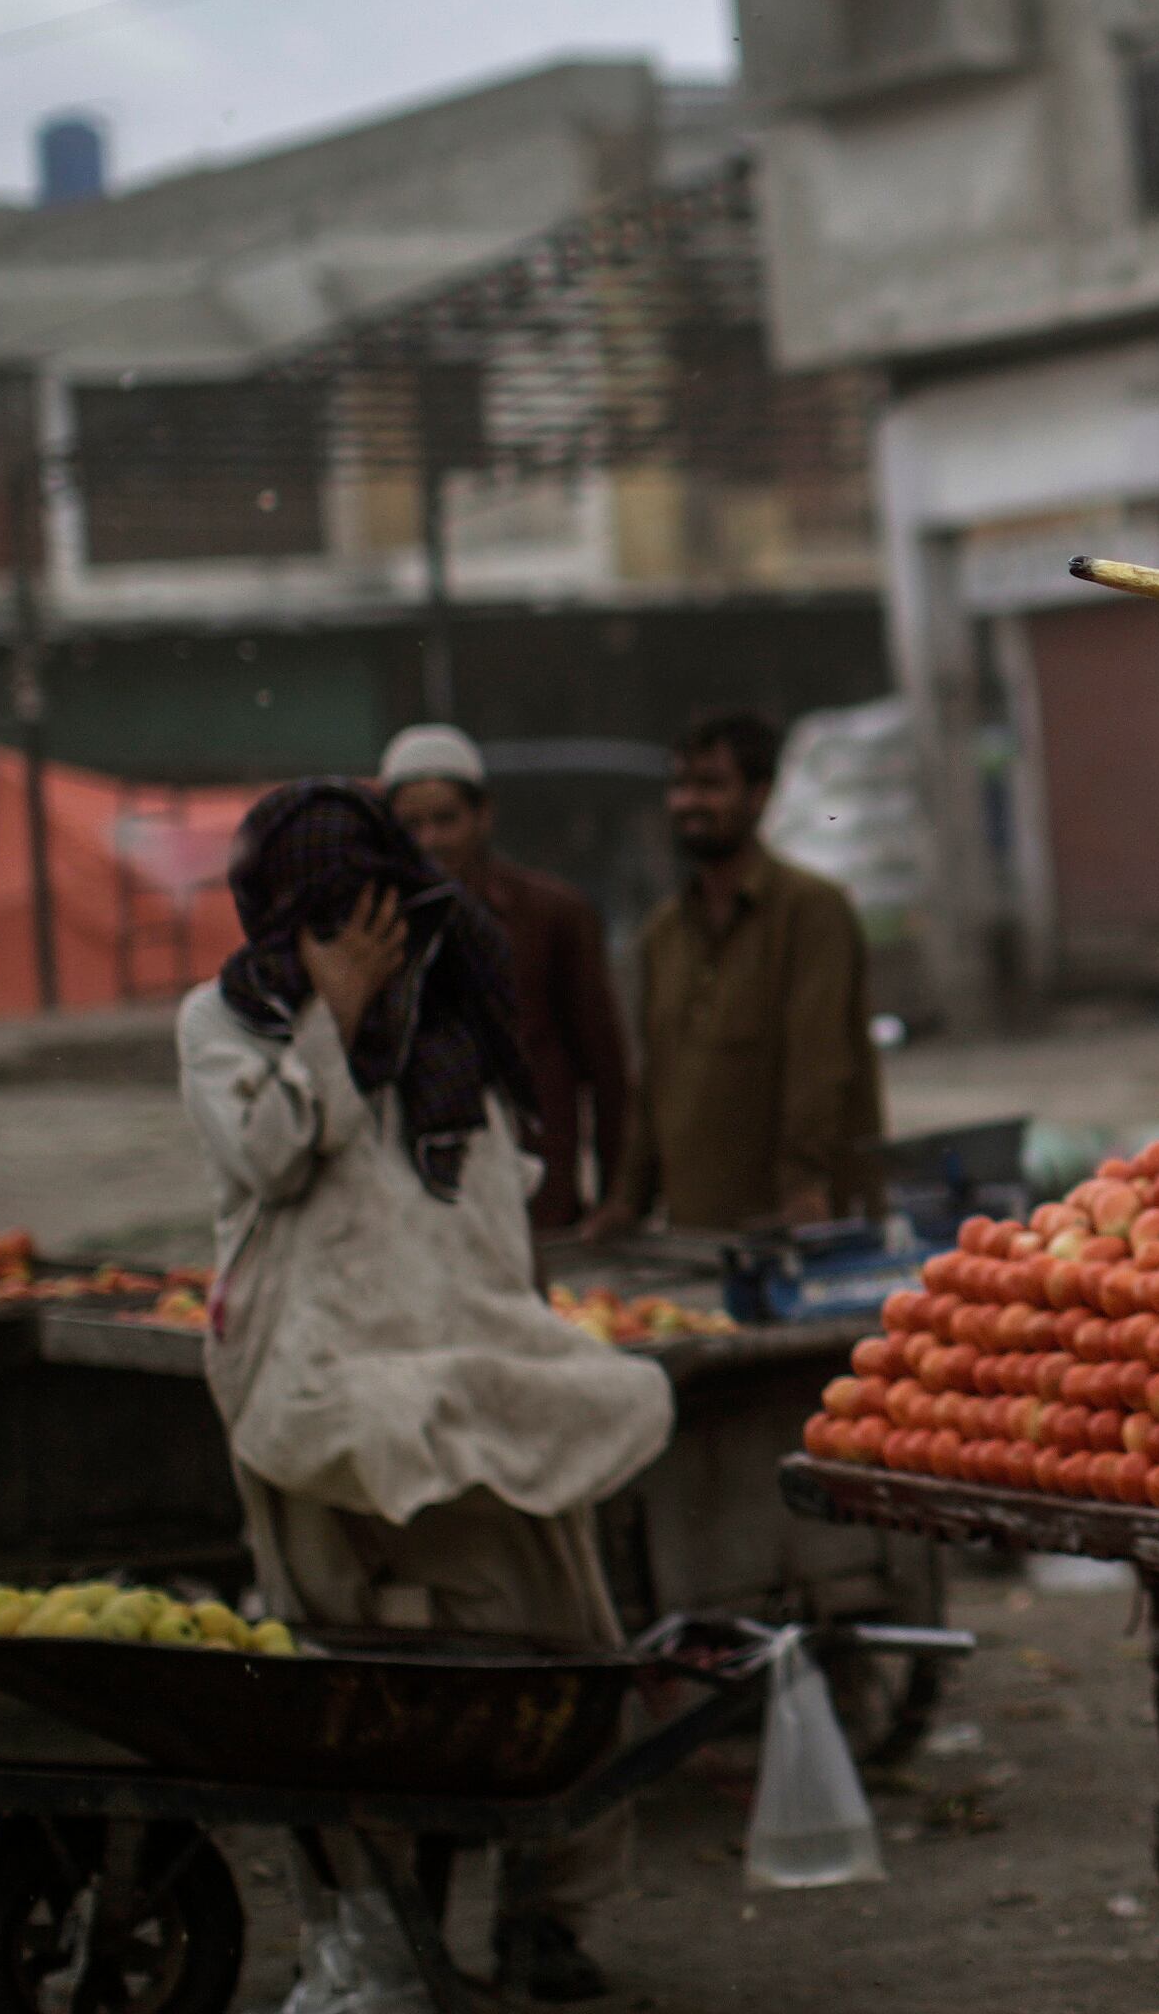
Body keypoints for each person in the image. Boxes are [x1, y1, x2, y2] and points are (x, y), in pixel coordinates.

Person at [180, 779, 670, 2002]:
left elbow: (498, 1215)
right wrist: (329, 1027)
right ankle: (373, 1933)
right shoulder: (223, 1023)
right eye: (330, 921)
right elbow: (267, 1157)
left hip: (473, 1369)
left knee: (554, 1649)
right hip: (312, 1380)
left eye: (377, 916)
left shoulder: (456, 1022)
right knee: (349, 1677)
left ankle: (542, 1914)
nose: (365, 942)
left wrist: (514, 1330)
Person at [592, 709, 882, 1239]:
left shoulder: (810, 911)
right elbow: (653, 1080)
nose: (688, 803)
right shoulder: (664, 934)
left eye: (710, 786)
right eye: (679, 786)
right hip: (699, 1233)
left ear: (759, 796)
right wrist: (626, 1200)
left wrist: (804, 1185)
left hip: (800, 1227)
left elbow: (819, 1060)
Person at [380, 725, 634, 1240]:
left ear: (483, 815)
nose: (431, 841)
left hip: (536, 1196)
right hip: (417, 1203)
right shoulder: (377, 929)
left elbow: (606, 1070)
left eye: (446, 819)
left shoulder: (552, 915)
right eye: (412, 825)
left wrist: (617, 1199)